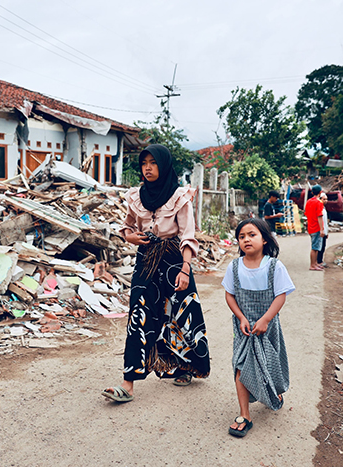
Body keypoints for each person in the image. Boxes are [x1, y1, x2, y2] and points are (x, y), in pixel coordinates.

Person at [101, 144, 210, 403]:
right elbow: (126, 227)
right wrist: (132, 238)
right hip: (146, 260)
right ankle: (128, 383)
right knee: (138, 315)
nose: (148, 168)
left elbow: (188, 235)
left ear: (164, 165)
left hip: (174, 260)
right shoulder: (136, 196)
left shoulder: (179, 197)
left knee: (182, 313)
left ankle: (187, 366)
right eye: (144, 163)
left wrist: (185, 269)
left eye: (153, 163)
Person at [222, 218, 295, 438]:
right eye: (242, 236)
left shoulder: (274, 266)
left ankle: (274, 393)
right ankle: (245, 415)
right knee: (241, 365)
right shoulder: (234, 267)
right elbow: (229, 295)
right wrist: (241, 317)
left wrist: (265, 320)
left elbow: (281, 295)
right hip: (243, 327)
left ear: (264, 239)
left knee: (269, 363)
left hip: (268, 326)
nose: (246, 240)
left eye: (251, 235)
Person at [304, 185, 325, 271]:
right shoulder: (319, 202)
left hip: (310, 226)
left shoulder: (309, 201)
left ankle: (315, 263)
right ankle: (312, 265)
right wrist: (322, 229)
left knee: (316, 246)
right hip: (316, 227)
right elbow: (319, 216)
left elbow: (306, 213)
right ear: (320, 192)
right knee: (315, 247)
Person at [317, 192, 329, 266]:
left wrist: (327, 232)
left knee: (323, 246)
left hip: (324, 231)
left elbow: (325, 221)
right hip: (320, 231)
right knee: (320, 247)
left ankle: (319, 260)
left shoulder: (323, 208)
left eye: (326, 199)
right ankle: (319, 261)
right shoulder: (319, 208)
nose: (325, 201)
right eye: (324, 199)